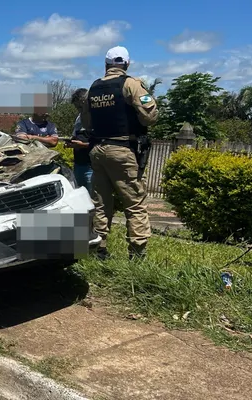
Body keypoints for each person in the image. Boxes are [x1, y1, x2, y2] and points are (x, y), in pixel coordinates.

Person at [80, 46, 159, 261]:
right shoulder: (131, 84)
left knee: (101, 202)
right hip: (122, 150)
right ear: (127, 64)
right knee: (134, 203)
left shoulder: (93, 88)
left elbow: (86, 123)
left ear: (106, 65)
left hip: (97, 150)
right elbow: (150, 117)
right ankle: (137, 254)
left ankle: (99, 250)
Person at [66, 88, 92, 193]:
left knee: (93, 199)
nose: (79, 110)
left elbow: (103, 143)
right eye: (77, 108)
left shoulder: (97, 117)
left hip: (92, 165)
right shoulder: (79, 117)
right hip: (78, 164)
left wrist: (83, 145)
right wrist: (70, 142)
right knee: (81, 196)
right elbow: (75, 135)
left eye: (80, 107)